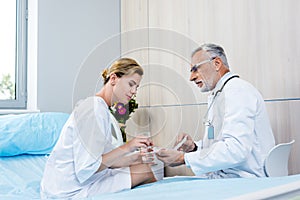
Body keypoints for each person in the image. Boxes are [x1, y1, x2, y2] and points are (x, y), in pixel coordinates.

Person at [40, 58, 157, 199]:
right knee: (144, 171)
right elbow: (87, 168)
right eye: (131, 84)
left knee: (142, 168)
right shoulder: (94, 109)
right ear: (113, 78)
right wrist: (129, 146)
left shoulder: (100, 109)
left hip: (73, 184)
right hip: (68, 191)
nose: (134, 92)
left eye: (136, 87)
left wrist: (137, 157)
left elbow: (107, 161)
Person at [156, 43, 275, 178]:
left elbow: (236, 149)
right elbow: (219, 144)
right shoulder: (220, 93)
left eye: (196, 69)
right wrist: (194, 148)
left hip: (244, 179)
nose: (191, 77)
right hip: (226, 177)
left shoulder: (237, 91)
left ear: (216, 63)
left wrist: (183, 158)